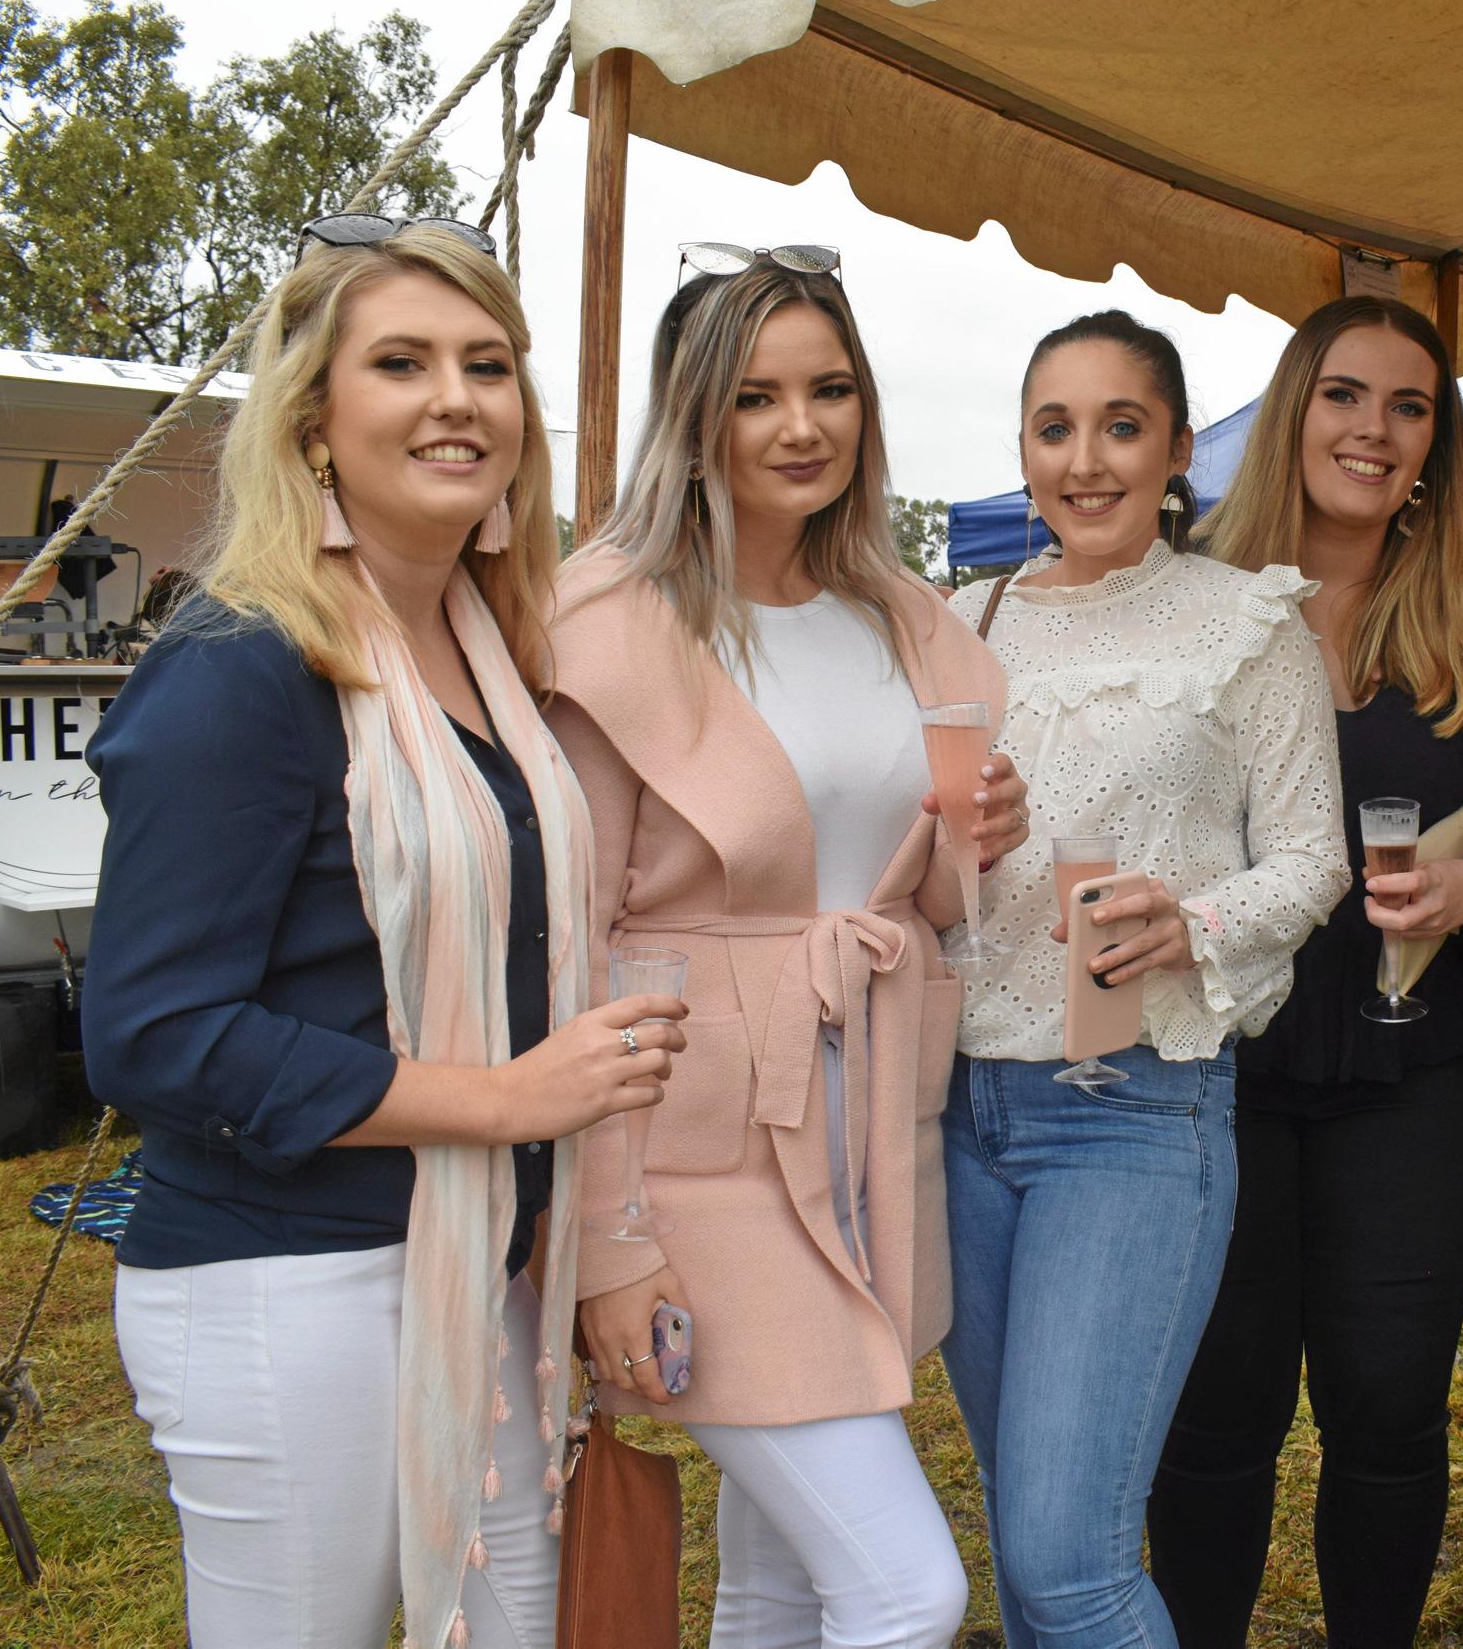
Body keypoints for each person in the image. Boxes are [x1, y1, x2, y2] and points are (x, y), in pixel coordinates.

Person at [87, 220, 677, 1649]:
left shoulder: (487, 655)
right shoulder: (241, 665)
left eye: (487, 365)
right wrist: (507, 1100)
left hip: (471, 1269)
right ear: (312, 419)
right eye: (401, 363)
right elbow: (155, 1034)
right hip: (283, 1279)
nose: (455, 399)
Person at [546, 252, 1023, 1649]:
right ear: (695, 417)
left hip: (867, 1121)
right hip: (697, 1152)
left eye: (830, 389)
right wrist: (603, 1241)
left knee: (782, 1583)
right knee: (903, 1591)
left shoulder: (902, 616)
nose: (800, 426)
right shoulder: (612, 621)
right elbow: (572, 950)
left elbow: (922, 894)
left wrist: (969, 833)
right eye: (756, 397)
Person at [944, 308, 1348, 1649]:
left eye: (1120, 424)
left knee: (1070, 1559)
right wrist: (951, 842)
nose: (1086, 458)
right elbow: (906, 871)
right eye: (1054, 427)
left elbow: (1312, 860)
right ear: (1021, 451)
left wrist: (1194, 919)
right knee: (1024, 1522)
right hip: (954, 1116)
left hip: (1132, 1113)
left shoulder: (1247, 623)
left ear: (1175, 447)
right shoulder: (957, 624)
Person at [1148, 297, 1463, 1647]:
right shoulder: (1187, 595)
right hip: (1215, 1070)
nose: (1372, 429)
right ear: (1291, 410)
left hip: (1409, 1070)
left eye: (1408, 405)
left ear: (1435, 442)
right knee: (1219, 1408)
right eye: (1343, 395)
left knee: (1385, 1407)